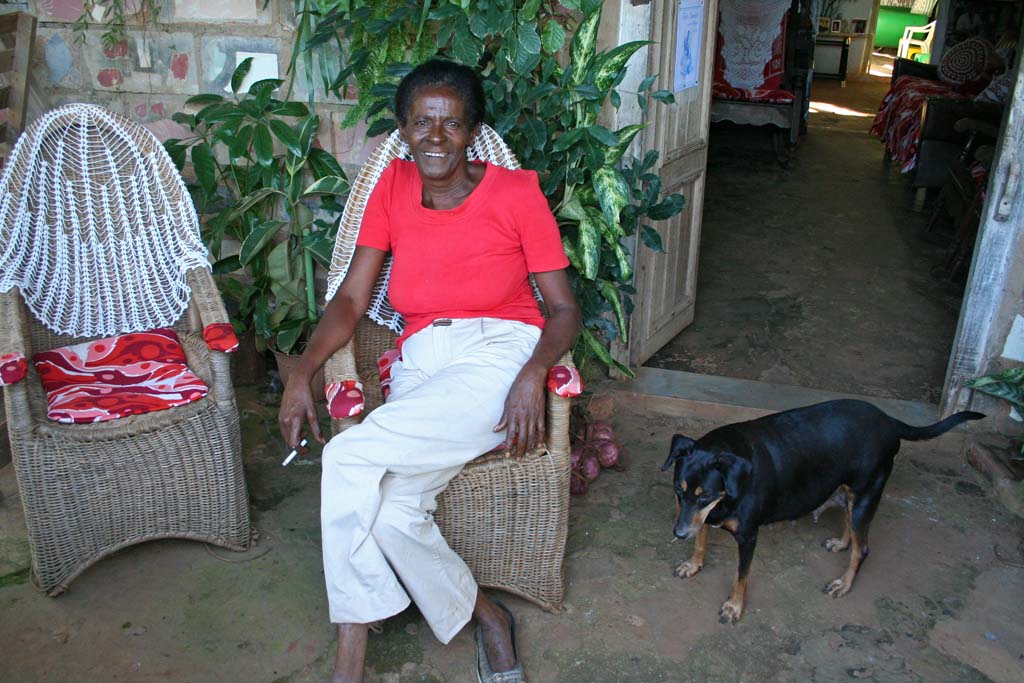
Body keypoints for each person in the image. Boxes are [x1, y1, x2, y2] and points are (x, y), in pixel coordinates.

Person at [277, 58, 581, 683]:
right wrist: (300, 372)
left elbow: (564, 310)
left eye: (451, 123)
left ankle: (349, 658)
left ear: (472, 131)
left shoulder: (517, 193)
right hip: (422, 361)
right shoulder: (391, 188)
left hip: (501, 353)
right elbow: (351, 301)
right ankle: (491, 618)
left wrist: (532, 373)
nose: (436, 137)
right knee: (391, 514)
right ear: (404, 128)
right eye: (422, 122)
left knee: (345, 458)